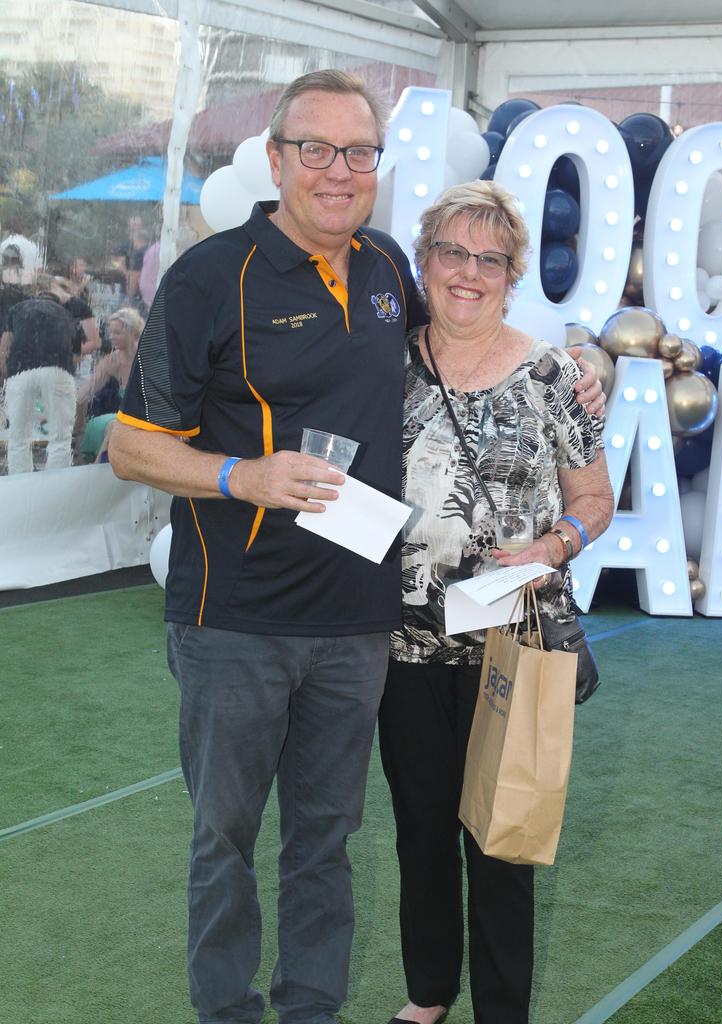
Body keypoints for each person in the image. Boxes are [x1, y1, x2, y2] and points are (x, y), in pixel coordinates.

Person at [107, 70, 604, 1024]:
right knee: (224, 840)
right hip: (235, 618)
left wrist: (587, 360)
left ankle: (310, 1013)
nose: (339, 171)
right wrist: (239, 476)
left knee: (325, 843)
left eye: (359, 153)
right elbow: (132, 445)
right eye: (317, 150)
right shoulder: (211, 276)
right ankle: (229, 1013)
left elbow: (475, 329)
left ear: (378, 165)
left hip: (362, 627)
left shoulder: (382, 271)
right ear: (278, 159)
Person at [378, 181, 614, 1024]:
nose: (468, 272)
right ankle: (429, 995)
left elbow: (595, 498)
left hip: (515, 642)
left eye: (490, 258)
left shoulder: (556, 375)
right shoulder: (385, 363)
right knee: (421, 832)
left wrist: (556, 545)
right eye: (452, 252)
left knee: (503, 840)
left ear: (512, 274)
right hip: (403, 647)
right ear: (425, 260)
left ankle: (501, 1011)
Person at [1, 289, 82, 474]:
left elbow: (4, 347)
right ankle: (55, 488)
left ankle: (20, 484)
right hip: (58, 370)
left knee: (18, 437)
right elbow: (76, 358)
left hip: (20, 371)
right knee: (60, 438)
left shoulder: (17, 309)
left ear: (35, 298)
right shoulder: (68, 316)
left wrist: (8, 377)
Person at [78, 307, 145, 463]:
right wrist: (77, 424)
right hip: (118, 419)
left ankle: (95, 474)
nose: (111, 337)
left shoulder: (147, 358)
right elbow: (85, 392)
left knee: (117, 427)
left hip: (144, 418)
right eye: (111, 332)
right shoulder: (111, 361)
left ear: (134, 334)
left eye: (117, 333)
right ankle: (95, 472)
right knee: (114, 426)